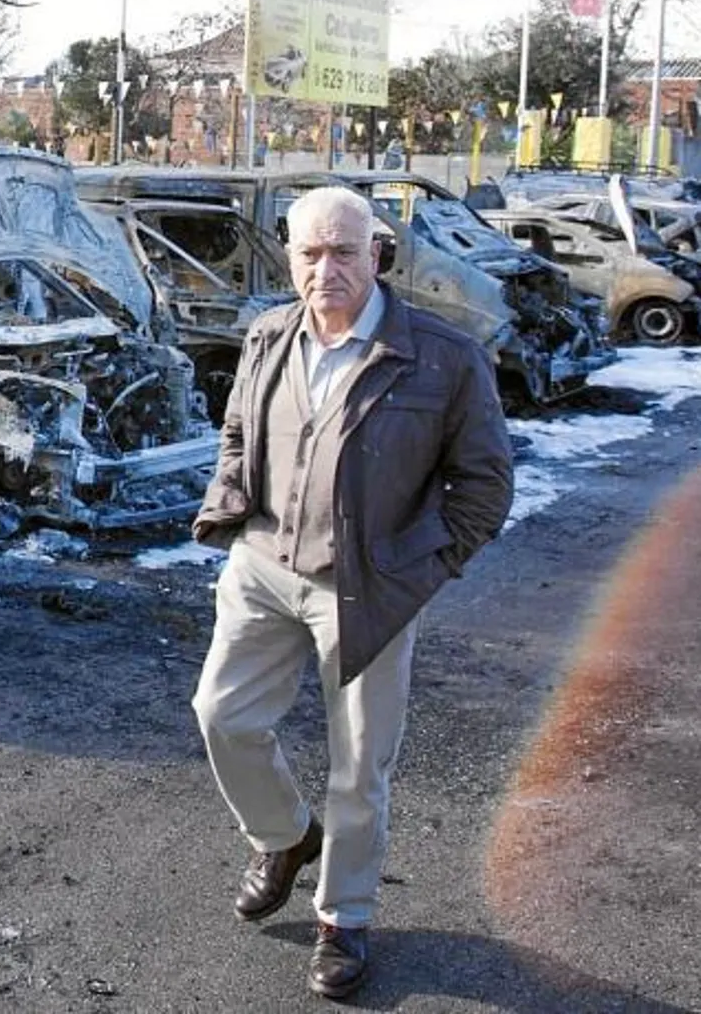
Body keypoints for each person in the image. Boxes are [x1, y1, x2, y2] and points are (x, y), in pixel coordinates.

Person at [189, 185, 514, 999]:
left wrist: (421, 569)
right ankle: (286, 836)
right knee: (222, 715)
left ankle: (345, 919)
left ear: (378, 253)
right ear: (289, 257)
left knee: (360, 763)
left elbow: (485, 488)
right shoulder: (267, 335)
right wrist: (230, 506)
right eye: (309, 253)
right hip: (264, 564)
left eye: (343, 251)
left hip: (369, 586)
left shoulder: (443, 356)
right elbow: (238, 431)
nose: (325, 268)